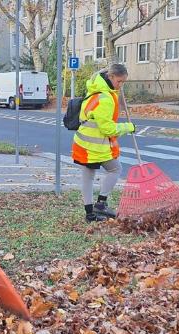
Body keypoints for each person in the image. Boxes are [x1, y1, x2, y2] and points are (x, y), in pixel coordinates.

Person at [71, 64, 136, 222]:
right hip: (95, 145)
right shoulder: (105, 98)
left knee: (88, 176)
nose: (121, 85)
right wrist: (129, 127)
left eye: (124, 83)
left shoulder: (96, 88)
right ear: (111, 76)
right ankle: (100, 204)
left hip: (83, 143)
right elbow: (108, 129)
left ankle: (90, 214)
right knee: (115, 169)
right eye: (119, 81)